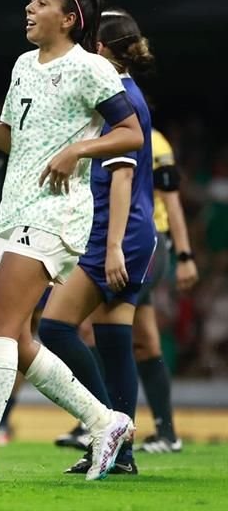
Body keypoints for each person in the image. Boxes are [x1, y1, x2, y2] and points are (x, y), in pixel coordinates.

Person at [0, 0, 142, 482]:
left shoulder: (90, 68)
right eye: (30, 0)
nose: (28, 7)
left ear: (68, 20)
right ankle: (104, 421)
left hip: (55, 213)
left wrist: (77, 149)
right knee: (13, 335)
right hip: (14, 210)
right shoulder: (23, 65)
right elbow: (14, 141)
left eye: (41, 2)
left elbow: (131, 132)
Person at [35, 8, 156, 476]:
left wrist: (110, 249)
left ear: (101, 49)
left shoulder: (115, 99)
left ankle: (105, 426)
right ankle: (120, 452)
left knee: (54, 327)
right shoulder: (133, 94)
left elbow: (121, 176)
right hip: (134, 232)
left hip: (115, 232)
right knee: (113, 340)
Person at [133, 126, 198, 453]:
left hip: (149, 242)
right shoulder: (106, 131)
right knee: (144, 340)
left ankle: (101, 426)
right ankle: (167, 432)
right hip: (136, 242)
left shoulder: (155, 141)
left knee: (97, 326)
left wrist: (185, 255)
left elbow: (172, 201)